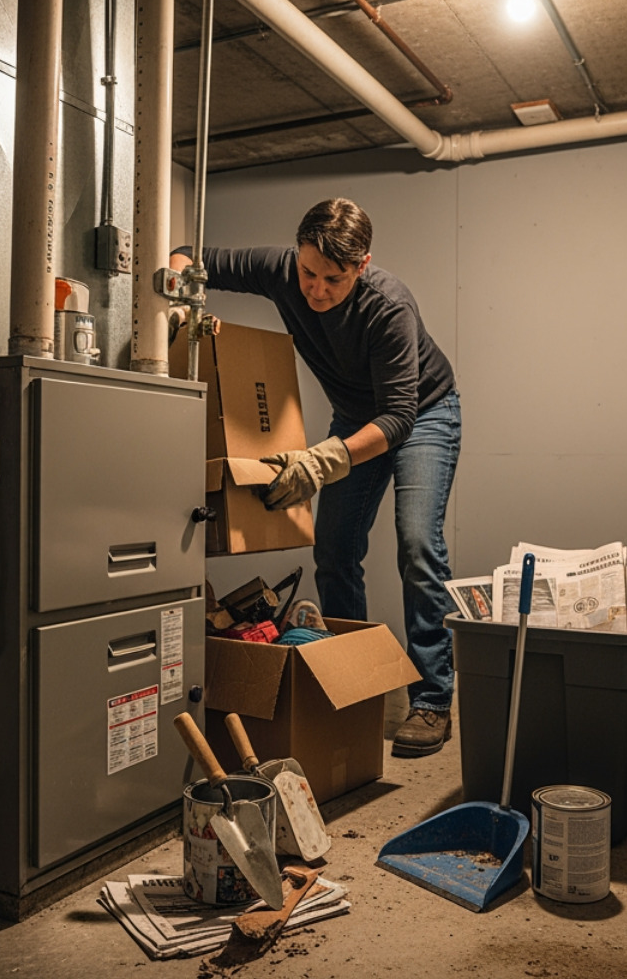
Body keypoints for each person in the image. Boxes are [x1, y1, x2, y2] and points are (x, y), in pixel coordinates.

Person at [172, 197, 461, 757]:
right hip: (356, 418)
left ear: (363, 265)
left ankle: (432, 699)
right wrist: (180, 305)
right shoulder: (282, 270)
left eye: (334, 278)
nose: (316, 290)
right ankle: (348, 682)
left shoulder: (388, 308)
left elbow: (399, 416)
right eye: (308, 272)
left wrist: (322, 460)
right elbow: (186, 256)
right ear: (297, 255)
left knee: (419, 544)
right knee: (332, 550)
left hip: (423, 413)